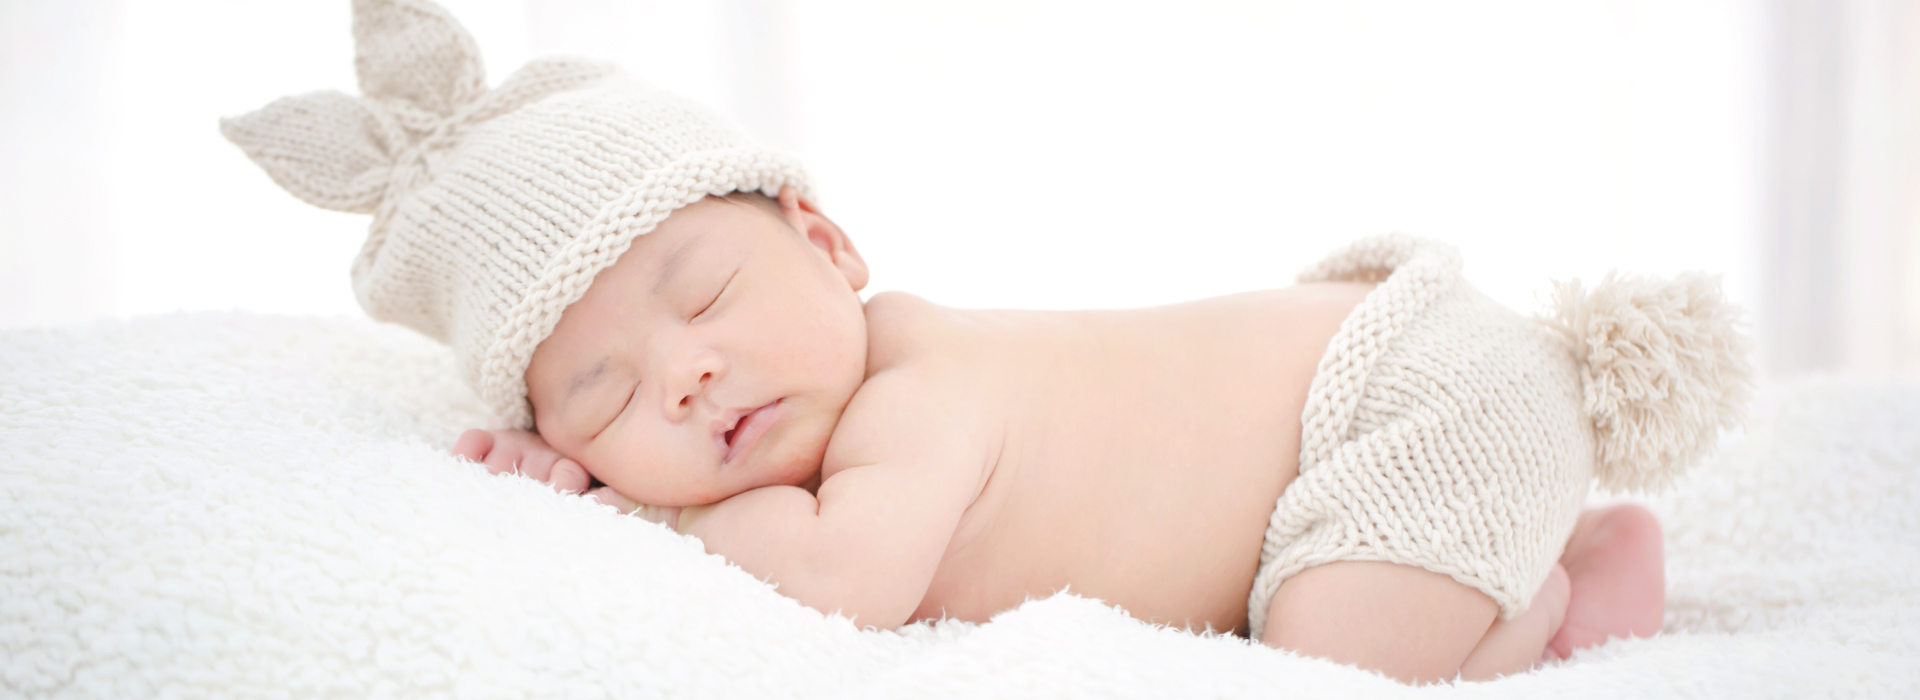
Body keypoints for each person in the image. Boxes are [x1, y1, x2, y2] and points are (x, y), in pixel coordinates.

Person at [224, 0, 1752, 684]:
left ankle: (1553, 595)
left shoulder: (914, 392)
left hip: (1414, 400)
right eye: (606, 388)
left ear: (828, 246)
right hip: (1372, 401)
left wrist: (634, 501)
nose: (682, 374)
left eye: (700, 300)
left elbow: (844, 580)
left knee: (1327, 666)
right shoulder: (856, 409)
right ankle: (1555, 542)